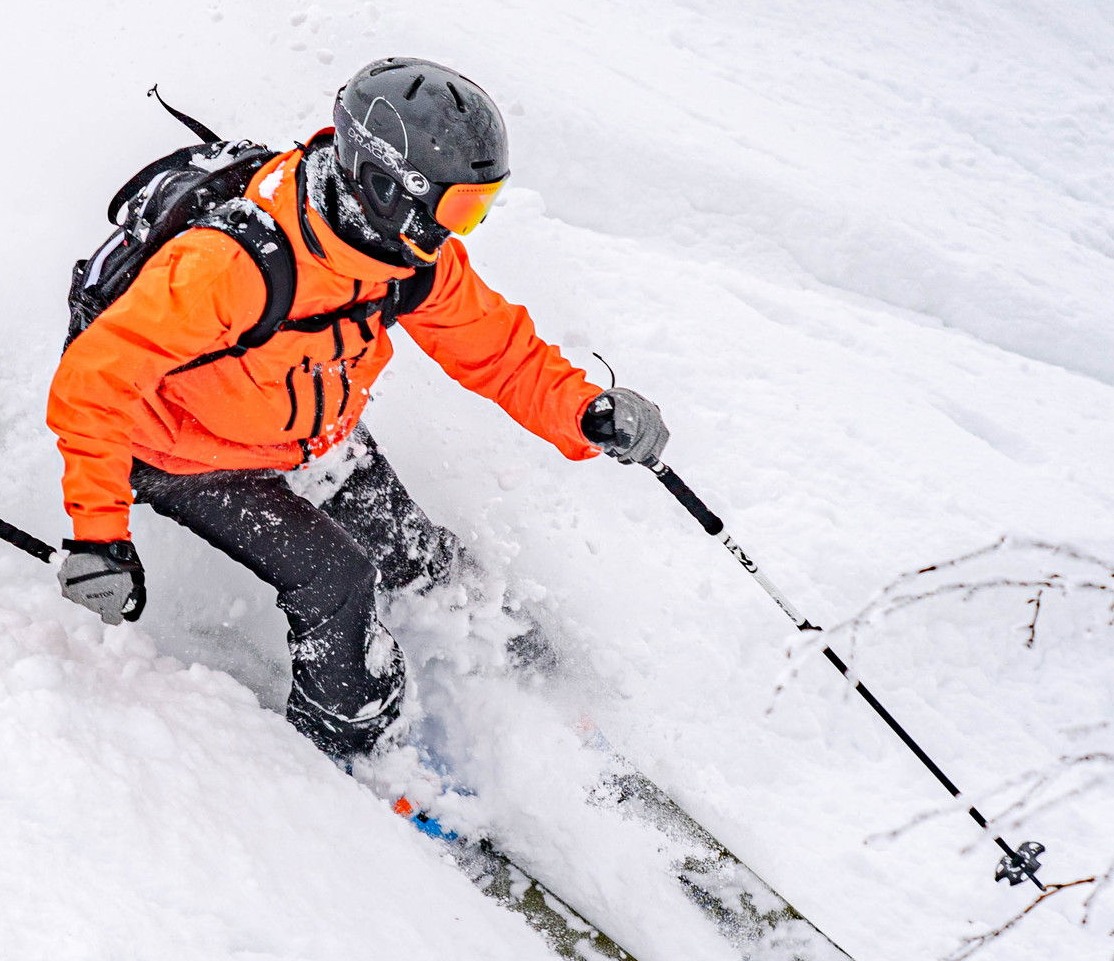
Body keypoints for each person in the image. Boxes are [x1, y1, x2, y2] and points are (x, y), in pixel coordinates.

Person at [47, 57, 668, 759]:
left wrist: (585, 412)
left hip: (309, 434)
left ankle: (542, 689)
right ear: (384, 184)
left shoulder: (406, 257)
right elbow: (93, 382)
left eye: (479, 206)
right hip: (184, 453)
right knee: (339, 584)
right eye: (458, 206)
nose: (462, 229)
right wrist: (99, 538)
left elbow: (499, 352)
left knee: (420, 559)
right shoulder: (231, 267)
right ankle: (355, 753)